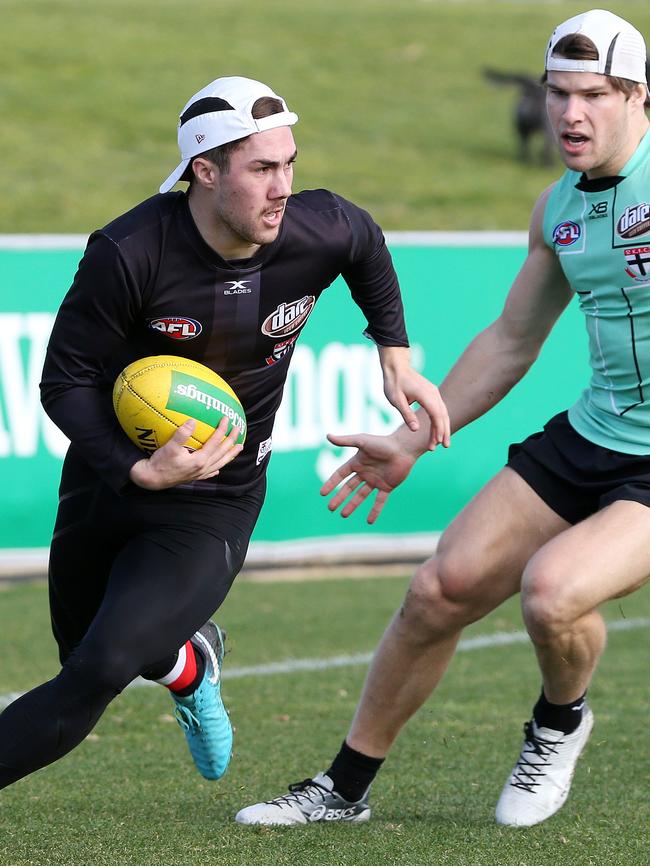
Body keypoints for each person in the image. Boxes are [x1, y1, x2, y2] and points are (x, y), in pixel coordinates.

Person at [236, 9, 650, 828]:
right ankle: (343, 790)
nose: (569, 114)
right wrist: (411, 440)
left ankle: (558, 723)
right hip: (595, 432)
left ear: (640, 97)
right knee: (437, 589)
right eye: (558, 93)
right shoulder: (557, 208)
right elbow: (510, 340)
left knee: (553, 593)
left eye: (594, 95)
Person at [0, 76, 449, 792]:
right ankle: (190, 661)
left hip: (218, 499)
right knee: (85, 650)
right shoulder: (128, 251)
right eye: (262, 169)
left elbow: (364, 241)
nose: (283, 188)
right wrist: (135, 470)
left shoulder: (317, 227)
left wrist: (393, 352)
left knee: (101, 668)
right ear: (203, 173)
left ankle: (171, 652)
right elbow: (62, 382)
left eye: (289, 164)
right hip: (112, 480)